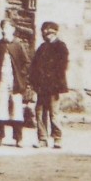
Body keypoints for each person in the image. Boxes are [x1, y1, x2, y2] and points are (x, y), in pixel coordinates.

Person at [0, 16, 30, 146]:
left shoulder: (18, 45)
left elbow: (26, 63)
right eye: (3, 28)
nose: (4, 31)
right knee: (0, 109)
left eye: (6, 28)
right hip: (1, 79)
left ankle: (18, 138)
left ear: (13, 29)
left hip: (15, 81)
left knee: (16, 109)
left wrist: (22, 76)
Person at [29, 21, 70, 149]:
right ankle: (42, 139)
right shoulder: (42, 48)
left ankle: (57, 138)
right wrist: (34, 83)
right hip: (41, 87)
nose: (47, 36)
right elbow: (34, 66)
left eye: (50, 33)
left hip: (53, 87)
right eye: (45, 34)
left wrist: (55, 82)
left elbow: (62, 67)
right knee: (40, 113)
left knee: (54, 113)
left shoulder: (61, 47)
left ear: (55, 33)